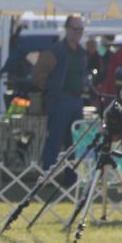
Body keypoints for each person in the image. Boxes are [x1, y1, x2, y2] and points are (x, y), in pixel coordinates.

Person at [32, 14, 87, 185]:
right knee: (54, 141)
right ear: (66, 29)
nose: (78, 32)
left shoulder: (82, 52)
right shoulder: (55, 51)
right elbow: (37, 75)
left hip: (77, 101)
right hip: (60, 101)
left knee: (75, 143)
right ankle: (47, 178)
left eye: (81, 29)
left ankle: (71, 179)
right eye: (74, 29)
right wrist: (51, 90)